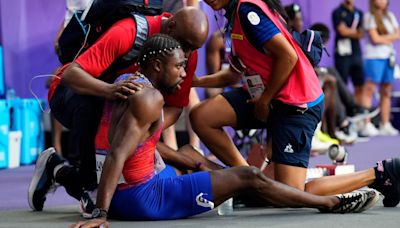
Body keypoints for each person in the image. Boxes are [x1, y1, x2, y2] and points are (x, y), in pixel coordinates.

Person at [71, 34, 378, 227]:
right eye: (178, 66)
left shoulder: (126, 84)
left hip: (127, 190)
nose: (184, 73)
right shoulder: (150, 98)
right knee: (248, 177)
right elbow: (118, 153)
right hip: (143, 198)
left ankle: (60, 172)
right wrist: (101, 215)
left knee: (190, 154)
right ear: (155, 67)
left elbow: (133, 146)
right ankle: (330, 203)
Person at [191, 0, 400, 208]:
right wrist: (198, 82)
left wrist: (264, 101)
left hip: (295, 103)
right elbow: (234, 73)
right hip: (267, 98)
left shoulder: (247, 11)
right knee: (202, 116)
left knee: (292, 193)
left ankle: (381, 173)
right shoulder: (232, 16)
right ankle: (249, 179)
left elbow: (288, 56)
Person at [28, 7, 209, 214]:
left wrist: (144, 131)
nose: (187, 54)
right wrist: (109, 90)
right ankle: (89, 186)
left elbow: (175, 108)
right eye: (185, 45)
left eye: (193, 49)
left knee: (126, 177)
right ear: (171, 27)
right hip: (72, 95)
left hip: (118, 114)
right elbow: (70, 75)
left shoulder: (187, 53)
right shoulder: (129, 31)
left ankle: (57, 170)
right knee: (102, 188)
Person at [361, 0, 400, 136]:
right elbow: (375, 39)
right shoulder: (369, 17)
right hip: (373, 57)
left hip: (388, 57)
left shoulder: (390, 16)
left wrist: (383, 37)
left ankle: (385, 123)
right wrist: (391, 37)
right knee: (369, 90)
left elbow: (398, 34)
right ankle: (367, 123)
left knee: (386, 91)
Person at [332, 0, 366, 129]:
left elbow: (362, 33)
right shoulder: (338, 12)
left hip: (356, 54)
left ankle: (357, 116)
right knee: (342, 85)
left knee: (360, 85)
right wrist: (355, 33)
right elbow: (342, 31)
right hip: (342, 55)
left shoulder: (359, 13)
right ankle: (343, 118)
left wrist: (351, 32)